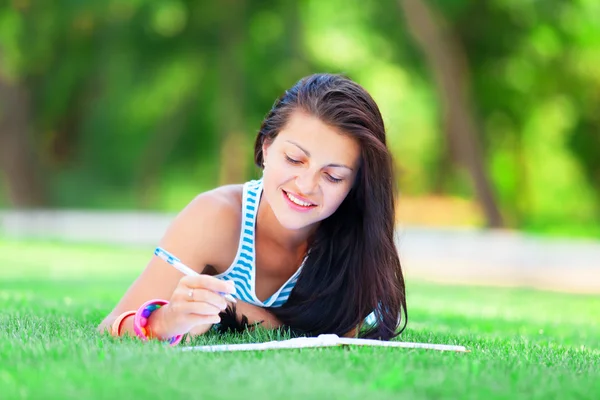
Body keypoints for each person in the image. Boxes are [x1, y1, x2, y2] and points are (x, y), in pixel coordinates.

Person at [97, 73, 408, 344]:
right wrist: (166, 321)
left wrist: (236, 311)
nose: (306, 185)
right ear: (267, 146)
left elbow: (350, 334)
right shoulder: (215, 217)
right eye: (294, 159)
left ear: (354, 185)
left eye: (333, 175)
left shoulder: (356, 237)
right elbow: (111, 326)